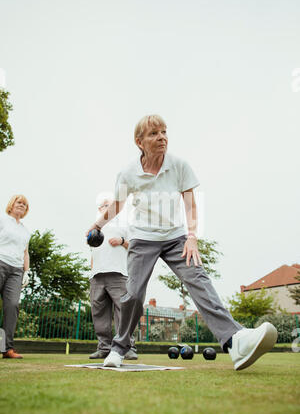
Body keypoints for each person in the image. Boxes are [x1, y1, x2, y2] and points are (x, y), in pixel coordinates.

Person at [87, 115, 277, 369]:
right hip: (143, 238)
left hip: (176, 237)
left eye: (164, 132)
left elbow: (190, 206)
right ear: (139, 141)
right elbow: (118, 204)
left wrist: (192, 237)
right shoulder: (127, 173)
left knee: (198, 279)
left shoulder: (179, 165)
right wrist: (97, 225)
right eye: (154, 133)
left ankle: (235, 341)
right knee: (132, 294)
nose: (162, 137)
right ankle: (118, 349)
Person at [89, 196, 138, 360]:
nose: (107, 209)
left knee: (123, 311)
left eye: (110, 206)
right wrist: (92, 272)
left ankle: (126, 347)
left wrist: (122, 241)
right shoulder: (95, 228)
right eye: (104, 206)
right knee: (99, 313)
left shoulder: (124, 225)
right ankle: (104, 347)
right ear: (99, 209)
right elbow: (93, 253)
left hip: (119, 273)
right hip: (97, 275)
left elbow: (135, 246)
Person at [0, 195, 31, 359]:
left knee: (12, 306)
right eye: (19, 202)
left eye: (25, 205)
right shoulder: (2, 220)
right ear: (11, 204)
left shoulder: (25, 230)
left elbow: (25, 253)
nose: (22, 206)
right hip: (0, 261)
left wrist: (26, 271)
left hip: (16, 270)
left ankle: (6, 348)